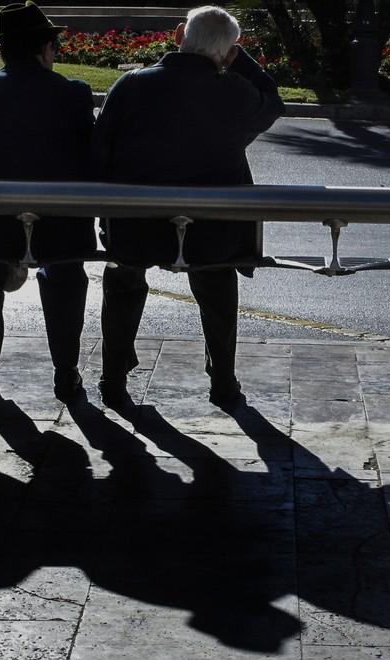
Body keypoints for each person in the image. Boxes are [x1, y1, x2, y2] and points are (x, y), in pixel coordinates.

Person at [92, 5, 284, 410]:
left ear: (180, 33)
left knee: (123, 280)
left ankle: (113, 378)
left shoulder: (132, 85)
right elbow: (273, 99)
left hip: (136, 224)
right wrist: (237, 59)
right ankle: (223, 380)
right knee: (217, 287)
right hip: (212, 229)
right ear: (231, 52)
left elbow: (101, 148)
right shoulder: (237, 93)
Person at [0, 1, 97, 405]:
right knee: (64, 281)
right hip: (60, 221)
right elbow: (90, 158)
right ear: (45, 48)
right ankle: (66, 373)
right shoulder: (74, 94)